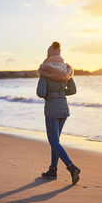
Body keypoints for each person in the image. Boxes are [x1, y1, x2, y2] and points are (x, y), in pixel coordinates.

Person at [36, 41, 81, 185]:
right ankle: (53, 170)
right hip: (64, 109)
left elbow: (41, 92)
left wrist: (51, 95)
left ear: (49, 53)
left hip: (52, 109)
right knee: (56, 142)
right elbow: (73, 90)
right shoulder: (66, 69)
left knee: (54, 141)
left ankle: (72, 167)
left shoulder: (45, 70)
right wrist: (60, 94)